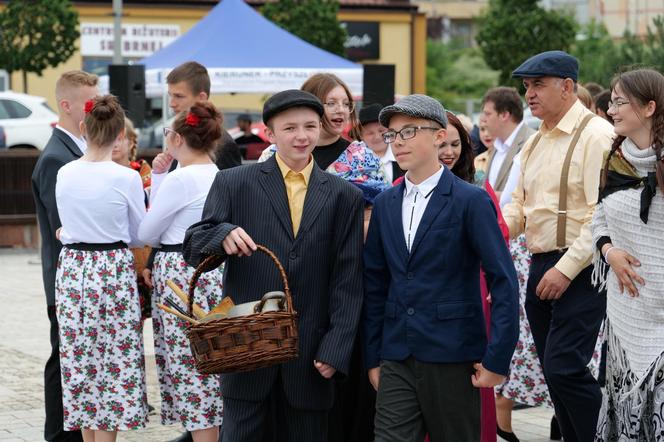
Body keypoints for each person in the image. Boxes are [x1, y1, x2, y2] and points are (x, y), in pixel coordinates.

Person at [183, 89, 365, 442]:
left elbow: (349, 279)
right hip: (245, 349)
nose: (302, 136)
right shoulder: (234, 183)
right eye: (290, 128)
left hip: (312, 354)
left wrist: (336, 347)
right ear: (270, 133)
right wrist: (221, 233)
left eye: (310, 126)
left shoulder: (345, 196)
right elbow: (193, 245)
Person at [362, 94, 519, 442]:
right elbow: (375, 283)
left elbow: (503, 281)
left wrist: (497, 359)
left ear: (437, 136)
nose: (397, 142)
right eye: (392, 134)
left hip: (454, 353)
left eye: (408, 132)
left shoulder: (471, 200)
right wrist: (373, 356)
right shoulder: (386, 203)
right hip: (396, 353)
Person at [502, 50, 614, 442]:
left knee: (565, 366)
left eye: (538, 85)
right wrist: (498, 229)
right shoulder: (535, 142)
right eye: (527, 86)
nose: (528, 94)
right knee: (555, 372)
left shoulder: (597, 135)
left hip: (583, 266)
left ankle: (602, 435)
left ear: (567, 87)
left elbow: (601, 215)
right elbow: (519, 205)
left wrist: (565, 269)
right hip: (540, 261)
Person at [54, 95, 148, 440]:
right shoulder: (126, 178)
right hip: (111, 269)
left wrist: (67, 233)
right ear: (119, 134)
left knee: (80, 360)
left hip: (74, 267)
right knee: (113, 362)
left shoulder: (65, 172)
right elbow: (140, 235)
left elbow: (68, 223)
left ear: (84, 128)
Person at [138, 102, 224, 442]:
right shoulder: (216, 172)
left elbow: (147, 232)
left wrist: (159, 178)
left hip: (180, 272)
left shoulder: (182, 178)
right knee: (208, 363)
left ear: (176, 138)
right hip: (211, 269)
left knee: (190, 369)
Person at [592, 68, 664, 441]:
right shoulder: (614, 159)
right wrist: (609, 252)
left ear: (649, 107)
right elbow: (599, 217)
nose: (611, 109)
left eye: (620, 102)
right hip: (625, 312)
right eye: (611, 101)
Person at [31, 70, 99, 442]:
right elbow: (66, 230)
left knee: (69, 357)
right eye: (89, 102)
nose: (95, 108)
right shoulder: (58, 157)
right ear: (67, 105)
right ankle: (59, 434)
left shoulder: (73, 150)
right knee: (64, 359)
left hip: (73, 281)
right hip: (66, 280)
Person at [437, 110, 510, 442]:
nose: (449, 152)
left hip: (473, 295)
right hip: (422, 303)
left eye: (455, 144)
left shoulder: (478, 186)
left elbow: (501, 238)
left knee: (470, 384)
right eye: (442, 145)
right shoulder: (400, 189)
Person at [359, 103, 405, 184]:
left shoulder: (403, 154)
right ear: (361, 136)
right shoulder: (356, 162)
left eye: (381, 131)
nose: (377, 137)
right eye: (370, 133)